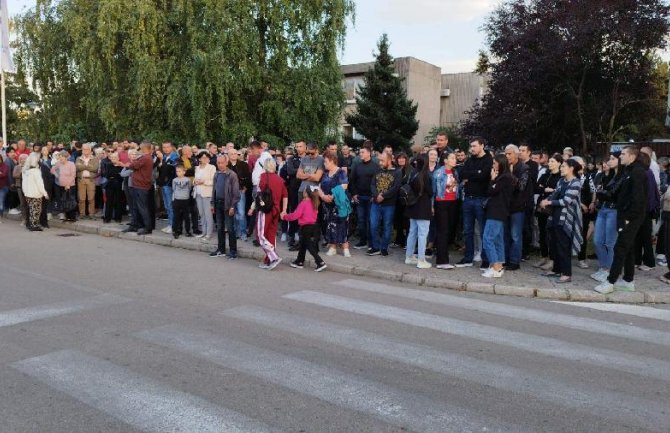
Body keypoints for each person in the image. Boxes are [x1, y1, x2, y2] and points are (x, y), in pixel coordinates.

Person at [594, 146, 647, 294]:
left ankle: (610, 282)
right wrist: (604, 194)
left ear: (632, 156)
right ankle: (628, 281)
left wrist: (629, 218)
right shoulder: (628, 171)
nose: (620, 156)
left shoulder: (638, 172)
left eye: (623, 154)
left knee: (620, 247)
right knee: (628, 248)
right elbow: (619, 193)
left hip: (631, 217)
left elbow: (639, 198)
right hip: (623, 214)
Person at [539, 159, 584, 283]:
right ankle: (556, 270)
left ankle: (566, 273)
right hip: (555, 217)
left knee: (563, 246)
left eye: (563, 166)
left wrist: (548, 202)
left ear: (571, 168)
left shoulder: (576, 183)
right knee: (554, 245)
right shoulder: (561, 181)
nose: (561, 168)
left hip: (566, 220)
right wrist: (546, 200)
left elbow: (566, 201)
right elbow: (555, 195)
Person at [457, 137, 493, 268]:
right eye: (471, 146)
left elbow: (484, 176)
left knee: (484, 231)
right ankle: (468, 258)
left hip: (481, 199)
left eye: (474, 146)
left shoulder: (488, 159)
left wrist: (470, 175)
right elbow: (462, 175)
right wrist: (475, 173)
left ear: (482, 145)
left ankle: (486, 260)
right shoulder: (470, 160)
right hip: (468, 199)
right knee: (467, 231)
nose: (472, 148)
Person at [249, 158, 288, 270]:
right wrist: (284, 210)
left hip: (265, 209)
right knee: (271, 235)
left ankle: (274, 257)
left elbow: (258, 195)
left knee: (260, 236)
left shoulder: (262, 177)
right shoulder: (280, 180)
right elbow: (285, 196)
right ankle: (269, 259)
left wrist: (252, 207)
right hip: (276, 210)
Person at [591, 153, 623, 282]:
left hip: (614, 210)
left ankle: (609, 269)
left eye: (613, 159)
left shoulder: (623, 176)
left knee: (610, 243)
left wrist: (601, 193)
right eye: (609, 159)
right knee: (597, 241)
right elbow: (601, 192)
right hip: (603, 208)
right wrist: (601, 193)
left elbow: (612, 194)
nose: (609, 161)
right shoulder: (607, 175)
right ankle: (604, 267)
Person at [482, 154, 516, 278]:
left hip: (496, 212)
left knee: (488, 239)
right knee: (497, 240)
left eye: (495, 163)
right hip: (499, 212)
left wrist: (492, 179)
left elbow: (491, 191)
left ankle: (495, 266)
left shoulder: (504, 178)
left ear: (501, 163)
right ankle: (499, 265)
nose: (493, 165)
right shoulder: (506, 177)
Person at [284, 186, 327, 272]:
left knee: (309, 246)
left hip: (306, 227)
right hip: (314, 227)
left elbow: (296, 215)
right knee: (303, 244)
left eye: (304, 191)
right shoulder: (315, 202)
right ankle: (299, 261)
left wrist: (285, 216)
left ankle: (320, 262)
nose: (303, 192)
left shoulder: (304, 203)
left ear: (307, 193)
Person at [368, 151, 402, 256]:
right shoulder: (377, 170)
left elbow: (396, 187)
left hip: (389, 204)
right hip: (376, 203)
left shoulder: (397, 172)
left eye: (382, 160)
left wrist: (383, 196)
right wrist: (376, 196)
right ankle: (376, 246)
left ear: (389, 160)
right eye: (380, 160)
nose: (380, 162)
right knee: (373, 225)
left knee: (387, 226)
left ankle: (383, 247)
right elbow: (372, 184)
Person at [318, 151, 351, 257]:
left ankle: (345, 248)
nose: (324, 164)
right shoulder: (325, 174)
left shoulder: (341, 172)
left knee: (342, 224)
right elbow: (319, 187)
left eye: (326, 161)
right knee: (330, 225)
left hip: (339, 204)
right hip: (327, 205)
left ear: (332, 161)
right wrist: (323, 196)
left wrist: (332, 196)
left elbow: (344, 185)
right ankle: (333, 247)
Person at [533, 154, 563, 270]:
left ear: (559, 163)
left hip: (553, 208)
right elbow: (536, 188)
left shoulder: (560, 177)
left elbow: (557, 192)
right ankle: (543, 256)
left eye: (552, 161)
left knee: (551, 234)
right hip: (542, 208)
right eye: (549, 161)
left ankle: (552, 259)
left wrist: (545, 189)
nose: (549, 163)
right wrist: (545, 189)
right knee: (542, 233)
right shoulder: (545, 175)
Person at [404, 155, 434, 269]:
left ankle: (409, 256)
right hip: (423, 208)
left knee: (412, 233)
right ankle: (421, 260)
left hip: (412, 207)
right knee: (422, 234)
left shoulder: (412, 174)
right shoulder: (425, 175)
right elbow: (430, 192)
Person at [209, 154, 240, 259]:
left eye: (222, 163)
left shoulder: (232, 175)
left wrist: (232, 206)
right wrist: (212, 203)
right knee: (220, 228)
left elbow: (236, 193)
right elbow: (214, 190)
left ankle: (233, 251)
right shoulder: (216, 174)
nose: (220, 165)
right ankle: (221, 250)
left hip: (228, 205)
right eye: (218, 163)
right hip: (218, 203)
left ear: (227, 163)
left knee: (230, 228)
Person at [504, 144, 530, 271]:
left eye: (509, 154)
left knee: (515, 235)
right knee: (506, 235)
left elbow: (521, 186)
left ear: (516, 154)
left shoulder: (524, 168)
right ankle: (506, 259)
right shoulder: (505, 166)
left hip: (518, 207)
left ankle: (515, 262)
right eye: (506, 154)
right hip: (505, 206)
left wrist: (510, 174)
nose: (507, 156)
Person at [432, 152, 459, 269]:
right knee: (442, 231)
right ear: (445, 160)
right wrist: (431, 206)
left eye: (455, 158)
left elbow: (455, 187)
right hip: (441, 202)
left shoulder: (455, 172)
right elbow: (433, 192)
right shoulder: (438, 173)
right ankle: (441, 261)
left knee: (449, 230)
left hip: (453, 203)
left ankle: (443, 255)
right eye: (452, 158)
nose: (455, 160)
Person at [350, 143, 378, 249]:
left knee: (371, 221)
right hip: (359, 197)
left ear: (369, 153)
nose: (360, 154)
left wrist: (374, 195)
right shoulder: (357, 166)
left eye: (363, 152)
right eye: (360, 152)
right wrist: (353, 194)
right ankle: (362, 241)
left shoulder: (375, 166)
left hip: (371, 198)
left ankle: (371, 243)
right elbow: (351, 181)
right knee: (361, 220)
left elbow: (378, 182)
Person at [634, 152, 659, 272]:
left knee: (645, 237)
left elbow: (649, 194)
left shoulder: (646, 173)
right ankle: (636, 260)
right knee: (637, 236)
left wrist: (646, 209)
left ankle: (649, 262)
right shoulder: (644, 172)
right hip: (642, 209)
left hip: (645, 210)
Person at [124, 141, 155, 235]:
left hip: (141, 186)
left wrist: (125, 163)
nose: (139, 150)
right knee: (135, 207)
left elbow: (132, 165)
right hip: (137, 185)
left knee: (142, 207)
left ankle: (147, 228)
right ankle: (135, 225)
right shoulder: (144, 157)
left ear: (144, 148)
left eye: (140, 148)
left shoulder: (145, 157)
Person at [227, 147, 251, 241]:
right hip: (229, 192)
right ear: (228, 155)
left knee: (241, 213)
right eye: (232, 154)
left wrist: (245, 188)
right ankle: (236, 232)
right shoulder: (226, 165)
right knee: (233, 212)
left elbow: (248, 177)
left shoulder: (243, 165)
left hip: (240, 191)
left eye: (235, 153)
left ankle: (243, 232)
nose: (234, 155)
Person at [22, 153, 49, 231]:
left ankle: (31, 224)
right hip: (36, 194)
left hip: (27, 193)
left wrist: (25, 192)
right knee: (36, 210)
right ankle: (34, 225)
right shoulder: (36, 171)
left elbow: (23, 183)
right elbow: (40, 184)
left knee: (31, 209)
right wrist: (45, 193)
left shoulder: (24, 170)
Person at [156, 141, 179, 234]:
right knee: (167, 206)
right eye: (164, 147)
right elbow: (160, 170)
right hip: (164, 184)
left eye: (167, 147)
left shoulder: (175, 157)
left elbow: (170, 170)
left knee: (170, 206)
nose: (165, 149)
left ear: (172, 147)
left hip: (170, 185)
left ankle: (173, 225)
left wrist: (162, 161)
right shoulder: (164, 157)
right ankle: (170, 224)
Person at [193, 150, 216, 240]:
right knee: (201, 214)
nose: (205, 159)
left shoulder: (212, 167)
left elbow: (213, 181)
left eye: (206, 157)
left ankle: (208, 233)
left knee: (208, 214)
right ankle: (203, 232)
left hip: (207, 194)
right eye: (203, 157)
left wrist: (203, 182)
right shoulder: (197, 168)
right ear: (199, 159)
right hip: (198, 193)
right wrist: (195, 181)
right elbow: (195, 179)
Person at [75, 143, 100, 219]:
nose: (85, 151)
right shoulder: (78, 158)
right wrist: (88, 166)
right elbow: (77, 168)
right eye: (83, 149)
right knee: (81, 199)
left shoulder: (94, 158)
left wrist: (84, 166)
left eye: (86, 149)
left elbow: (95, 168)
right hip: (81, 180)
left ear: (90, 150)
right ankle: (82, 214)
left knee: (91, 198)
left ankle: (91, 214)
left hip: (91, 180)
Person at [51, 151, 77, 222]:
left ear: (66, 157)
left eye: (62, 157)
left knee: (71, 201)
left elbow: (73, 175)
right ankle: (67, 217)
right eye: (60, 158)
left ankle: (72, 217)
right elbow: (52, 170)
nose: (60, 159)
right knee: (64, 202)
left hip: (70, 186)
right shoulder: (59, 164)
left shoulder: (71, 164)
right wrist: (57, 176)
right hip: (61, 186)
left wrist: (68, 184)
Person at [392, 152, 410, 248]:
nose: (401, 160)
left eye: (403, 158)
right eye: (399, 158)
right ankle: (399, 240)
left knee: (406, 221)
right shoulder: (395, 169)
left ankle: (407, 242)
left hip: (406, 200)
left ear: (406, 160)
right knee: (397, 220)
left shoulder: (410, 170)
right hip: (396, 199)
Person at [101, 152, 124, 223]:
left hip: (118, 185)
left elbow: (122, 176)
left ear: (118, 158)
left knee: (118, 201)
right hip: (110, 185)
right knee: (109, 202)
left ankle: (118, 218)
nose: (113, 159)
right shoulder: (108, 165)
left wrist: (115, 175)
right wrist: (117, 174)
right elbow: (107, 174)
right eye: (112, 158)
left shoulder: (121, 165)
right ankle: (107, 218)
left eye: (115, 158)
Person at [171, 165, 192, 239]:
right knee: (176, 216)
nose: (178, 173)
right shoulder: (174, 180)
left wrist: (185, 195)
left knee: (186, 216)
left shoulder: (188, 180)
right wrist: (173, 199)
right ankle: (176, 231)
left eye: (179, 171)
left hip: (185, 200)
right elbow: (174, 189)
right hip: (177, 200)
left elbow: (189, 188)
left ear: (184, 172)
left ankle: (188, 231)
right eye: (177, 171)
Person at [0, 154, 8, 222]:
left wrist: (1, 174)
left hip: (2, 187)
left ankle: (1, 215)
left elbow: (4, 174)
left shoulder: (4, 166)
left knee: (1, 202)